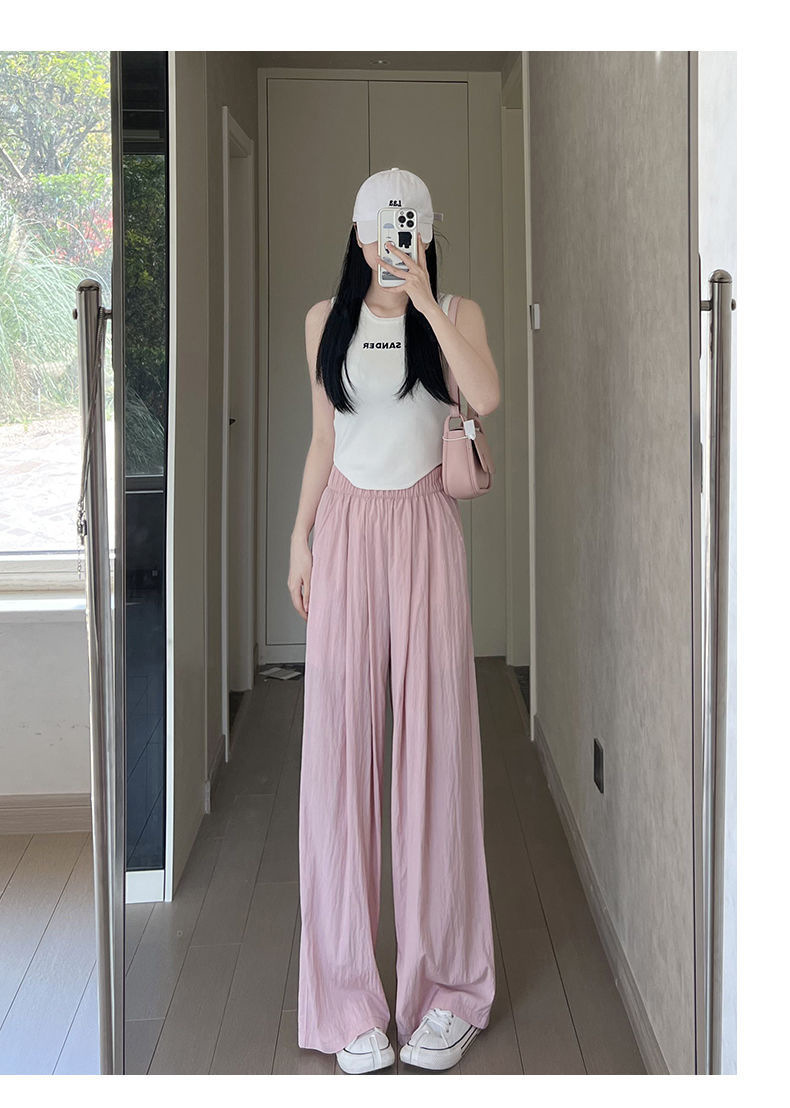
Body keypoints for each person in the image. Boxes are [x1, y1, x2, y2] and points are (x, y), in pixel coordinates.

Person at [288, 168, 500, 1074]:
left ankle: (447, 990)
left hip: (424, 531)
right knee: (339, 762)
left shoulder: (455, 310)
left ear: (426, 230)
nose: (391, 238)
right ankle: (346, 1001)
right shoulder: (322, 322)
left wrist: (425, 304)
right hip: (344, 531)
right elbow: (324, 439)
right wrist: (298, 539)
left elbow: (485, 396)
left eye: (406, 224)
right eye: (379, 224)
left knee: (435, 757)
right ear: (357, 230)